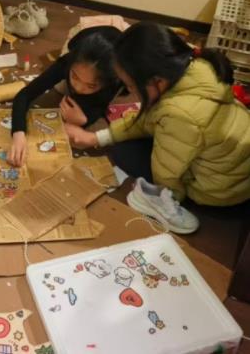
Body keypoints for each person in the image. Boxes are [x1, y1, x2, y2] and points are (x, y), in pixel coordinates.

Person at [65, 22, 250, 233]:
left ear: (157, 81)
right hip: (236, 168)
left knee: (125, 153)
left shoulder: (178, 115)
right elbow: (151, 118)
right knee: (129, 137)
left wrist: (169, 195)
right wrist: (95, 138)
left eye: (131, 86)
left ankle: (152, 203)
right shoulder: (195, 66)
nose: (131, 92)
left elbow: (167, 172)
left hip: (222, 192)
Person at [8, 26, 123, 167]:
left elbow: (99, 107)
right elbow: (24, 95)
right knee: (62, 88)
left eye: (91, 85)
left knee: (81, 104)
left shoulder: (114, 82)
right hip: (84, 39)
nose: (78, 87)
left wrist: (83, 121)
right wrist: (18, 133)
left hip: (118, 53)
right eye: (75, 76)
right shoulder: (67, 62)